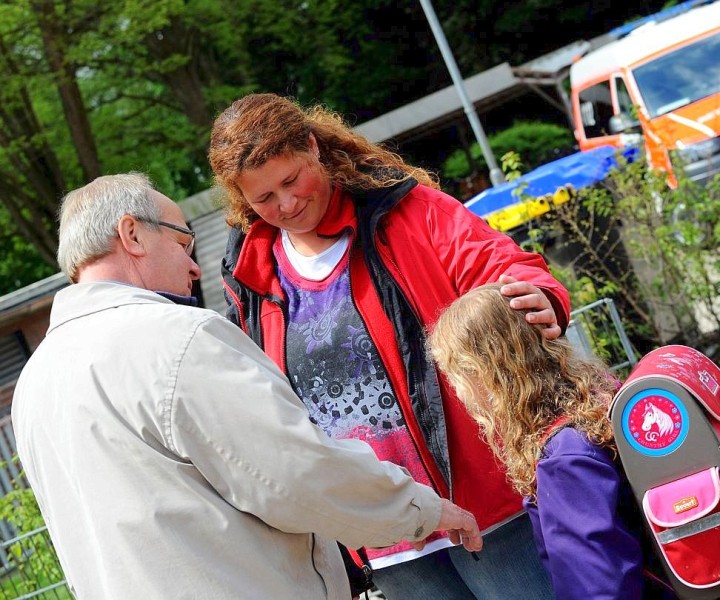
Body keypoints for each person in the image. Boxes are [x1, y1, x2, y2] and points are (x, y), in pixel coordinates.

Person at [11, 172, 483, 600]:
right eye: (183, 245)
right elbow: (295, 474)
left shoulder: (35, 382)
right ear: (132, 234)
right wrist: (422, 509)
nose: (195, 268)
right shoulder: (176, 337)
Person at [208, 92, 570, 599]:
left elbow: (500, 265)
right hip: (383, 536)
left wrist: (541, 297)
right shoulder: (249, 274)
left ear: (313, 147)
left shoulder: (404, 208)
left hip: (486, 505)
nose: (285, 206)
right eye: (263, 199)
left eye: (291, 181)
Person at [428, 284, 720, 599]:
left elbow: (598, 586)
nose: (459, 392)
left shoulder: (564, 460)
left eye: (457, 375)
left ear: (487, 372)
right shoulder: (604, 400)